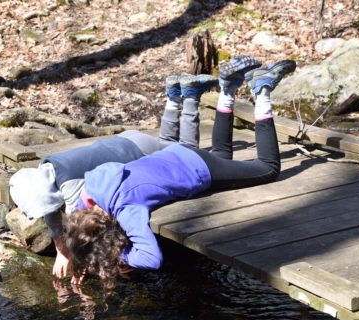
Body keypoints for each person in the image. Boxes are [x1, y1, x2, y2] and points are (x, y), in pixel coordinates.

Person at [64, 56, 296, 291]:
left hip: (197, 169)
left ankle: (263, 90)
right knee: (222, 155)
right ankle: (228, 87)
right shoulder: (94, 184)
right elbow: (78, 214)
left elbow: (151, 258)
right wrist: (83, 257)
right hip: (177, 154)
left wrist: (118, 258)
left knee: (267, 169)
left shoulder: (128, 210)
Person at [8, 73, 219, 282]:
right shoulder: (46, 169)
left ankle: (190, 97)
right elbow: (50, 211)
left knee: (185, 149)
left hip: (140, 153)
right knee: (167, 141)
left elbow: (87, 227)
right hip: (127, 140)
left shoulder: (71, 186)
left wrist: (85, 262)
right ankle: (173, 97)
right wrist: (61, 250)